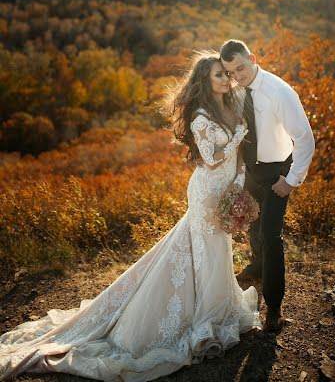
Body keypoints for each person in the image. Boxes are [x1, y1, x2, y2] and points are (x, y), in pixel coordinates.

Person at [0, 51, 260, 382]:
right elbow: (210, 159)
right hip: (205, 192)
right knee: (204, 249)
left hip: (224, 191)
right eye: (219, 75)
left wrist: (238, 186)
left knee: (216, 249)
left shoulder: (232, 105)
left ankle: (218, 309)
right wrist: (238, 135)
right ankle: (201, 319)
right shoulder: (200, 115)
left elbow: (237, 158)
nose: (226, 79)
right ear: (205, 82)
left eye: (226, 73)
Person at [220, 39, 315, 333]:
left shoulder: (279, 91)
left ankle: (274, 307)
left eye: (241, 67)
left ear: (252, 57)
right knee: (252, 225)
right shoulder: (237, 92)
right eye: (231, 72)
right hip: (250, 171)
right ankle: (257, 267)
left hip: (277, 174)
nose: (238, 75)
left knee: (271, 236)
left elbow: (305, 138)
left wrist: (291, 180)